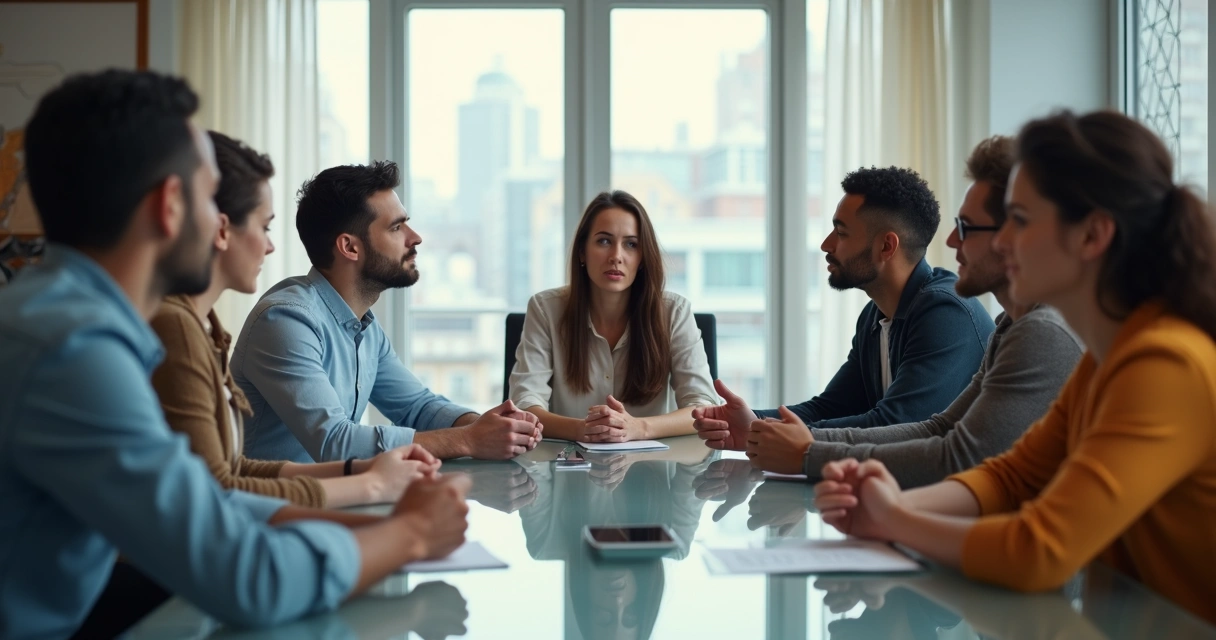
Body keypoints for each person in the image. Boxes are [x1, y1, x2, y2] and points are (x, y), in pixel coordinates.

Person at [0, 69, 470, 639]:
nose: (225, 224)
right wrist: (411, 536)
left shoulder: (67, 318)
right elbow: (245, 577)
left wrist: (365, 502)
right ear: (171, 206)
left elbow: (206, 495)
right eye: (208, 197)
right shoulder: (74, 351)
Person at [813, 110, 1216, 625]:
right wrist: (894, 504)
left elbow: (1040, 551)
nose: (1000, 242)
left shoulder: (1165, 363)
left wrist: (894, 519)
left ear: (1092, 236)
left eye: (1020, 221)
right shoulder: (1106, 358)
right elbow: (1010, 477)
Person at [744, 137, 1083, 487]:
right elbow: (939, 428)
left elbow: (956, 455)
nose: (951, 240)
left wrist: (808, 453)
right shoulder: (1009, 325)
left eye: (966, 227)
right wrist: (762, 429)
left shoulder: (1028, 328)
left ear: (1017, 235)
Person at [150, 131, 426, 508]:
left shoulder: (202, 324)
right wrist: (372, 486)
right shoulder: (190, 324)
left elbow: (232, 468)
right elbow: (213, 491)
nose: (270, 245)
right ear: (221, 229)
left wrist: (369, 474)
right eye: (263, 227)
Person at [232, 161, 542, 463]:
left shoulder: (363, 327)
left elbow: (418, 408)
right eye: (396, 227)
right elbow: (334, 442)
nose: (415, 237)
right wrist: (469, 439)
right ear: (350, 247)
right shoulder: (286, 321)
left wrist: (485, 425)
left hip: (337, 502)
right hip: (271, 511)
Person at [694, 166, 995, 448]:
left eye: (841, 232)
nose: (827, 244)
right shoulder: (875, 315)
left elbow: (897, 425)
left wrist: (767, 434)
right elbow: (831, 406)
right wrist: (747, 421)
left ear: (887, 247)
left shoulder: (946, 313)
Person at [509, 190, 717, 442]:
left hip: (652, 471)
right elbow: (524, 405)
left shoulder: (674, 312)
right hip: (567, 468)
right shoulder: (545, 309)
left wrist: (638, 428)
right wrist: (584, 430)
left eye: (631, 244)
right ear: (582, 252)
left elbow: (703, 407)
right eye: (604, 241)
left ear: (642, 258)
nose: (616, 256)